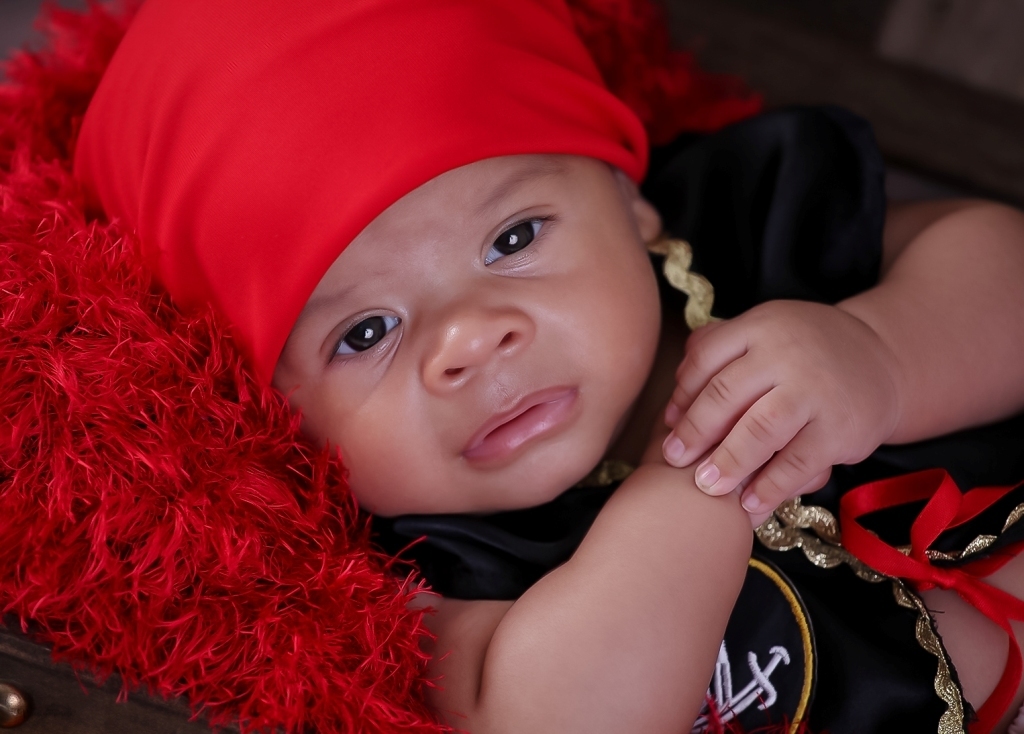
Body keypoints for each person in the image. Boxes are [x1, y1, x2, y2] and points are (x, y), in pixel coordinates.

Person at [72, 0, 1024, 732]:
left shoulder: (749, 233)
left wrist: (884, 351)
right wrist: (693, 491)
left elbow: (1003, 270)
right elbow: (550, 718)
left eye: (514, 238)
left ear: (626, 196)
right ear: (271, 407)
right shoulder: (405, 573)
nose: (471, 339)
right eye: (364, 332)